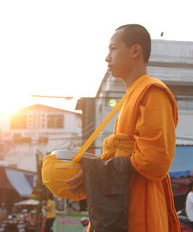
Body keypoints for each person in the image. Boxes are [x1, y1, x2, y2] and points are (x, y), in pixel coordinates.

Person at [66, 24, 180, 231]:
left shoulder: (153, 93)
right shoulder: (131, 96)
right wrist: (100, 165)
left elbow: (154, 162)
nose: (107, 57)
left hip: (140, 213)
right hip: (122, 211)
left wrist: (104, 161)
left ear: (134, 50)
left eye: (112, 49)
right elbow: (126, 156)